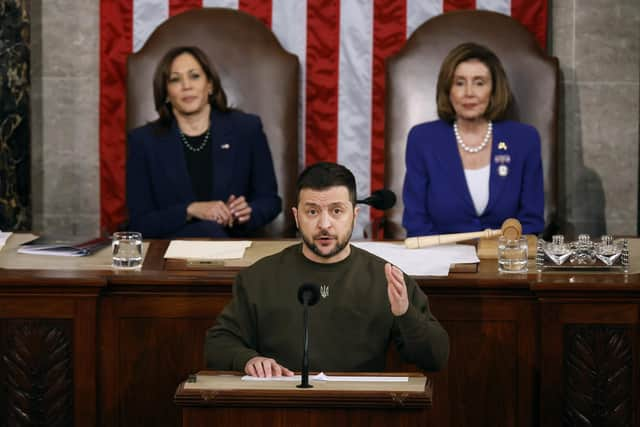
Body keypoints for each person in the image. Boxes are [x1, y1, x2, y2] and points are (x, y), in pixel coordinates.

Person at [205, 162, 449, 377]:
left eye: (336, 211)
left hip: (360, 412)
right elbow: (218, 343)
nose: (324, 224)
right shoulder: (259, 277)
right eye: (312, 211)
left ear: (354, 215)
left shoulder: (387, 278)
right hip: (280, 408)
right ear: (296, 216)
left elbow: (436, 358)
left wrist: (406, 315)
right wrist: (248, 359)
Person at [126, 46, 281, 238]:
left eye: (194, 76)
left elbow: (270, 201)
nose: (186, 86)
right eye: (175, 79)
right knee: (207, 230)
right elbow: (139, 223)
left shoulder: (246, 129)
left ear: (210, 85)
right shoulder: (143, 141)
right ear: (165, 92)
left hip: (235, 247)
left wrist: (248, 212)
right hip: (173, 255)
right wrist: (190, 210)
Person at [402, 42, 544, 237]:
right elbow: (415, 222)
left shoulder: (524, 140)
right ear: (448, 89)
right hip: (440, 260)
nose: (469, 92)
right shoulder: (423, 139)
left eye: (479, 83)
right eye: (459, 83)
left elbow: (532, 220)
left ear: (494, 89)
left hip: (506, 258)